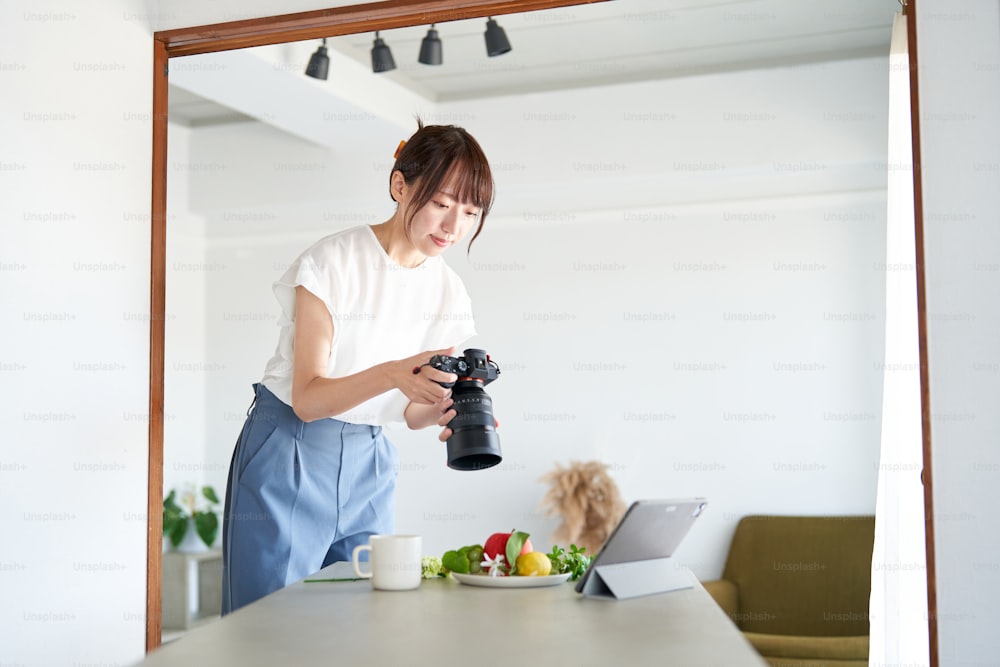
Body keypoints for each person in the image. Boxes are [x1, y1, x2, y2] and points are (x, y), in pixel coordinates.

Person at [221, 121, 495, 614]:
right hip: (290, 448)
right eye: (442, 203)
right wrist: (392, 374)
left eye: (470, 212)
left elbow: (411, 413)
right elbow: (307, 399)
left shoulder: (449, 291)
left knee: (360, 621)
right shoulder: (332, 262)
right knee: (268, 628)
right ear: (400, 186)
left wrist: (448, 410)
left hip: (370, 461)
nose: (454, 227)